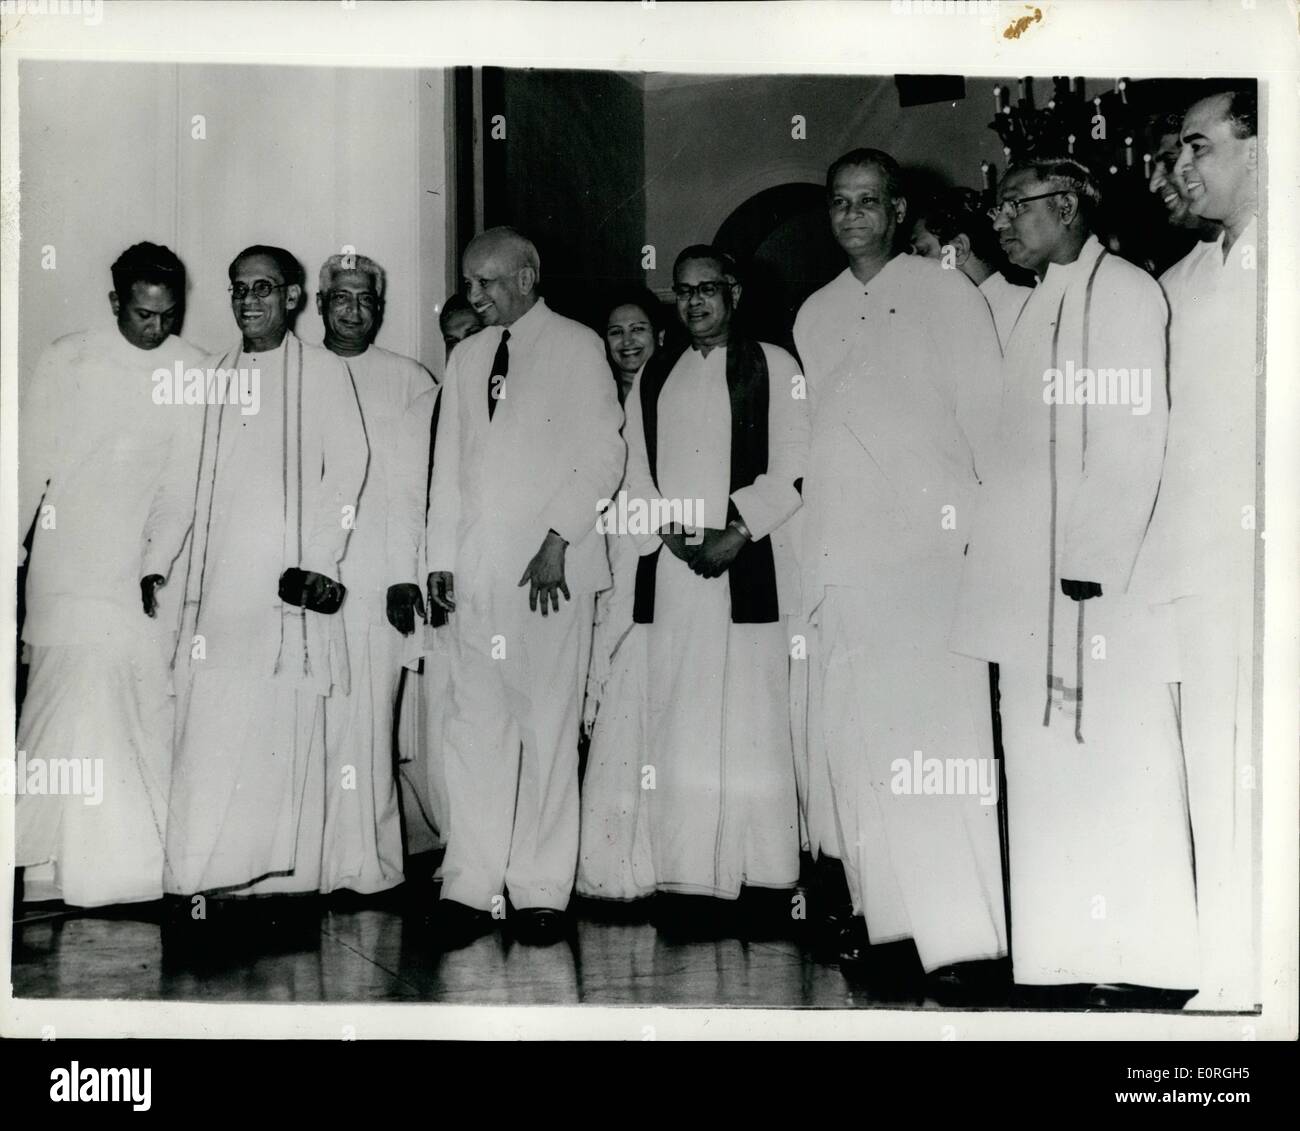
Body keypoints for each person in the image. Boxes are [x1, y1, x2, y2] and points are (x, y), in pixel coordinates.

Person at [950, 158, 1198, 1005]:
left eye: (1013, 207)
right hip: (1031, 589)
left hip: (1095, 587)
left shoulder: (1122, 291)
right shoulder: (1033, 303)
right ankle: (1062, 958)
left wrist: (1088, 558)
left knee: (1116, 760)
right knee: (1046, 770)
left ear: (1066, 205)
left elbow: (1135, 433)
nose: (1000, 224)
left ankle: (1142, 961)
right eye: (996, 209)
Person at [795, 149, 1007, 994]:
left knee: (936, 748)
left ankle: (960, 943)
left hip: (927, 557)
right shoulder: (814, 313)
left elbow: (989, 422)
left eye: (868, 201)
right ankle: (891, 926)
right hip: (842, 562)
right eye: (838, 202)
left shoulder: (942, 290)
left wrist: (979, 539)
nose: (852, 216)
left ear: (896, 207)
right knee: (861, 754)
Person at [425, 227, 624, 947]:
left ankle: (541, 888)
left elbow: (605, 452)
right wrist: (439, 560)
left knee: (545, 728)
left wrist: (557, 538)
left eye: (486, 283)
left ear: (528, 276)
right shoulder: (469, 355)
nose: (472, 296)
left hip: (550, 575)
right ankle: (469, 884)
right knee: (473, 727)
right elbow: (449, 465)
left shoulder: (576, 347)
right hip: (477, 577)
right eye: (469, 283)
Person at [589, 257, 806, 919]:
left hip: (753, 566)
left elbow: (796, 464)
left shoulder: (776, 365)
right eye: (682, 292)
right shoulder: (655, 374)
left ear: (733, 293)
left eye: (706, 289)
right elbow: (636, 476)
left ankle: (767, 881)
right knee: (679, 722)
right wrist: (681, 538)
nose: (694, 303)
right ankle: (688, 884)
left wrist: (735, 532)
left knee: (754, 721)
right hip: (679, 573)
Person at [164, 245, 368, 902]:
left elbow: (349, 469)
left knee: (283, 741)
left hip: (287, 591)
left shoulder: (323, 375)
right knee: (212, 740)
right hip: (221, 595)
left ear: (292, 297)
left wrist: (319, 561)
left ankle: (282, 899)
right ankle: (208, 890)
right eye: (238, 288)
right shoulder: (214, 375)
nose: (249, 300)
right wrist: (156, 562)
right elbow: (183, 482)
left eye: (263, 287)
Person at [15, 243, 206, 908]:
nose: (156, 330)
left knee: (133, 712)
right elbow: (27, 468)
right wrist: (11, 556)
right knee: (64, 707)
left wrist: (155, 563)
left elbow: (181, 488)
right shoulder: (67, 358)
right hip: (66, 565)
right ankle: (42, 870)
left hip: (140, 576)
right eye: (142, 314)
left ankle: (119, 875)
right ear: (114, 302)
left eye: (168, 316)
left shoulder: (192, 370)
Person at [1131, 89, 1260, 1011]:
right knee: (1210, 765)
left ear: (1264, 147)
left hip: (1265, 567)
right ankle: (1231, 961)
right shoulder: (1178, 282)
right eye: (1178, 151)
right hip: (1196, 569)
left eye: (1200, 146)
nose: (1182, 167)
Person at [314, 252, 434, 896]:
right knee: (308, 723)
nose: (353, 310)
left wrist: (406, 575)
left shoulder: (410, 380)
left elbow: (420, 491)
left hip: (382, 583)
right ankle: (306, 865)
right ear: (320, 303)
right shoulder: (295, 373)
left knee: (366, 724)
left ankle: (369, 868)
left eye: (365, 299)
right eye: (341, 298)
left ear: (379, 309)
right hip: (305, 581)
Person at [577, 288, 666, 903]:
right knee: (611, 697)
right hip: (609, 554)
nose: (628, 342)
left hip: (657, 557)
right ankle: (613, 864)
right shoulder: (598, 398)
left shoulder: (672, 394)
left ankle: (655, 861)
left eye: (639, 329)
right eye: (615, 331)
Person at [910, 186, 1031, 352]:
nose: (914, 266)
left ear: (957, 250)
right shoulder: (954, 319)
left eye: (923, 252)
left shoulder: (1026, 309)